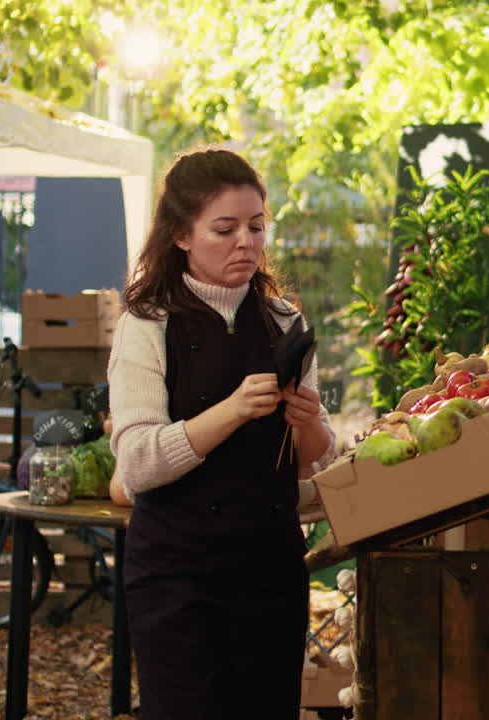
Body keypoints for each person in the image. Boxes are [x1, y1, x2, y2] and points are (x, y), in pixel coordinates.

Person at [108, 147, 337, 720]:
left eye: (257, 226)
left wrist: (307, 424)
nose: (247, 243)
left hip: (270, 571)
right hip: (175, 577)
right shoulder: (147, 323)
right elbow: (135, 464)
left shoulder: (285, 321)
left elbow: (318, 461)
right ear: (182, 235)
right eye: (225, 228)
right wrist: (231, 411)